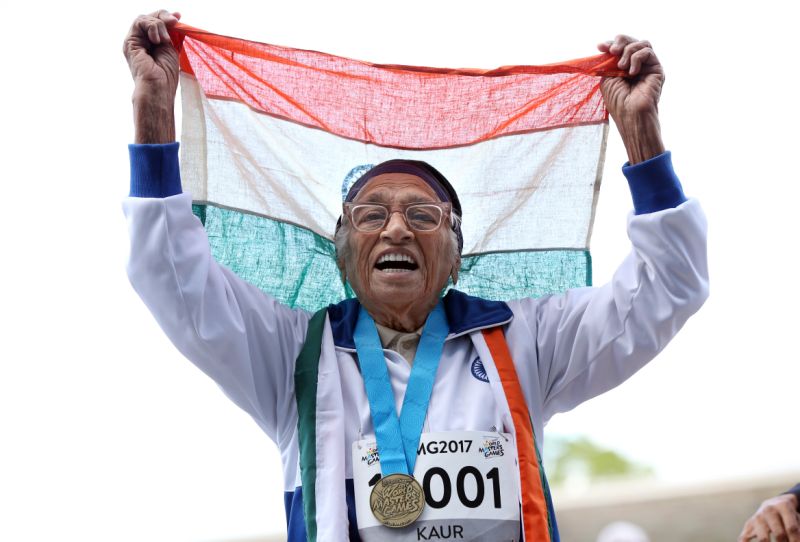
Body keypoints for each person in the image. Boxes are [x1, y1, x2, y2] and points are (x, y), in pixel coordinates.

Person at [122, 10, 709, 542]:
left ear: (455, 258)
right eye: (371, 215)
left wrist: (641, 134)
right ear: (343, 254)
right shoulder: (294, 354)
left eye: (424, 216)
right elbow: (171, 275)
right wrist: (153, 107)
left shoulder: (523, 339)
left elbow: (669, 286)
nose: (397, 229)